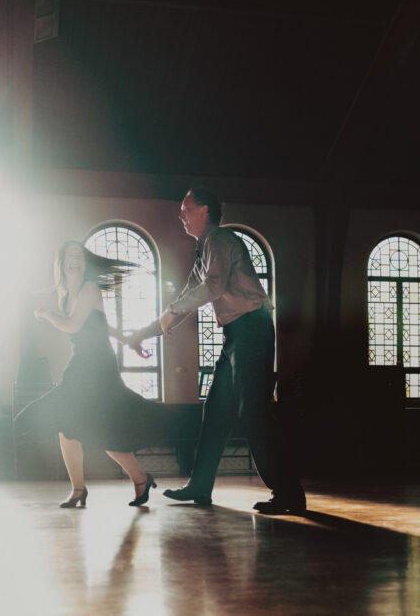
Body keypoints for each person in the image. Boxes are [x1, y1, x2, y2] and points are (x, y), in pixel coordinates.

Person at [125, 187, 305, 513]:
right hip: (236, 335)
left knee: (254, 413)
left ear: (205, 210)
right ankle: (200, 486)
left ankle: (289, 493)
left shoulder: (220, 239)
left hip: (252, 330)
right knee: (216, 411)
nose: (181, 215)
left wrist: (165, 317)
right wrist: (144, 332)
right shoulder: (205, 249)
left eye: (186, 208)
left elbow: (212, 287)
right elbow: (184, 300)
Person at [15, 241, 168, 507]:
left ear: (85, 264)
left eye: (79, 257)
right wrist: (128, 340)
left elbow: (73, 325)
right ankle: (80, 490)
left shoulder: (89, 288)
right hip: (82, 364)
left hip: (98, 367)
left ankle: (138, 478)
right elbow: (102, 325)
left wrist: (47, 313)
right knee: (72, 427)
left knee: (100, 430)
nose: (75, 260)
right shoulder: (65, 293)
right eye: (70, 256)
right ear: (61, 263)